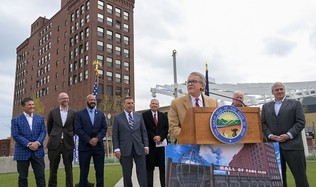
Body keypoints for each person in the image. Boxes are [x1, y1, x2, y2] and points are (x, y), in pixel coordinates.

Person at [261, 82, 309, 187]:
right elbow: (263, 124)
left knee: (300, 177)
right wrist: (270, 136)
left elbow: (300, 122)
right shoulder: (265, 107)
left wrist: (288, 135)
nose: (279, 91)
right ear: (272, 92)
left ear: (284, 90)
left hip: (293, 146)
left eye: (281, 89)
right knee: (278, 179)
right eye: (277, 90)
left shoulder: (295, 104)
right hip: (274, 147)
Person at [168, 71, 218, 141]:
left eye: (194, 81)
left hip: (209, 145)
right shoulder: (176, 103)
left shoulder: (213, 102)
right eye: (188, 82)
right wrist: (190, 136)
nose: (190, 84)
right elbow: (173, 128)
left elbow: (217, 124)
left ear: (203, 86)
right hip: (187, 145)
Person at [112, 96, 149, 187]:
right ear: (124, 104)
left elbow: (143, 132)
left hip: (139, 149)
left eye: (132, 103)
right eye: (128, 103)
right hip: (125, 150)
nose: (131, 105)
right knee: (127, 175)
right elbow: (115, 135)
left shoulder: (139, 116)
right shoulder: (117, 118)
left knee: (142, 174)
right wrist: (116, 149)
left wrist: (146, 146)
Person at [11, 97, 46, 187]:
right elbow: (15, 135)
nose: (32, 106)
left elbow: (43, 132)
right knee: (22, 177)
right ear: (23, 107)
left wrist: (37, 143)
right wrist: (29, 144)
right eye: (29, 105)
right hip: (22, 152)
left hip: (38, 151)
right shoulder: (16, 120)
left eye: (33, 104)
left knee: (40, 176)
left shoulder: (40, 118)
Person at [74, 94, 107, 187]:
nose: (93, 101)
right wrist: (89, 140)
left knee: (100, 171)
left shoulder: (101, 114)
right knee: (84, 172)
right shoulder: (79, 114)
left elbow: (104, 128)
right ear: (87, 101)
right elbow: (77, 129)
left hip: (98, 147)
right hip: (85, 147)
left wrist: (97, 138)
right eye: (91, 100)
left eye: (94, 100)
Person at [47, 92, 76, 187]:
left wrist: (69, 135)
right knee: (53, 169)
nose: (66, 100)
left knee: (69, 169)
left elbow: (75, 128)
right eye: (63, 98)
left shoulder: (73, 112)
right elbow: (49, 128)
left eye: (67, 98)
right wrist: (55, 136)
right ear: (59, 100)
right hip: (54, 144)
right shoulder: (52, 112)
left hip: (68, 144)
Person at [142, 99, 168, 187]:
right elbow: (144, 129)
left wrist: (160, 137)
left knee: (163, 169)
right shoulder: (144, 115)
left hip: (162, 146)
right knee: (149, 169)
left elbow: (166, 129)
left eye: (156, 104)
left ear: (158, 105)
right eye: (153, 104)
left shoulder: (163, 116)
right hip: (150, 146)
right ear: (150, 105)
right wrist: (154, 136)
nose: (154, 105)